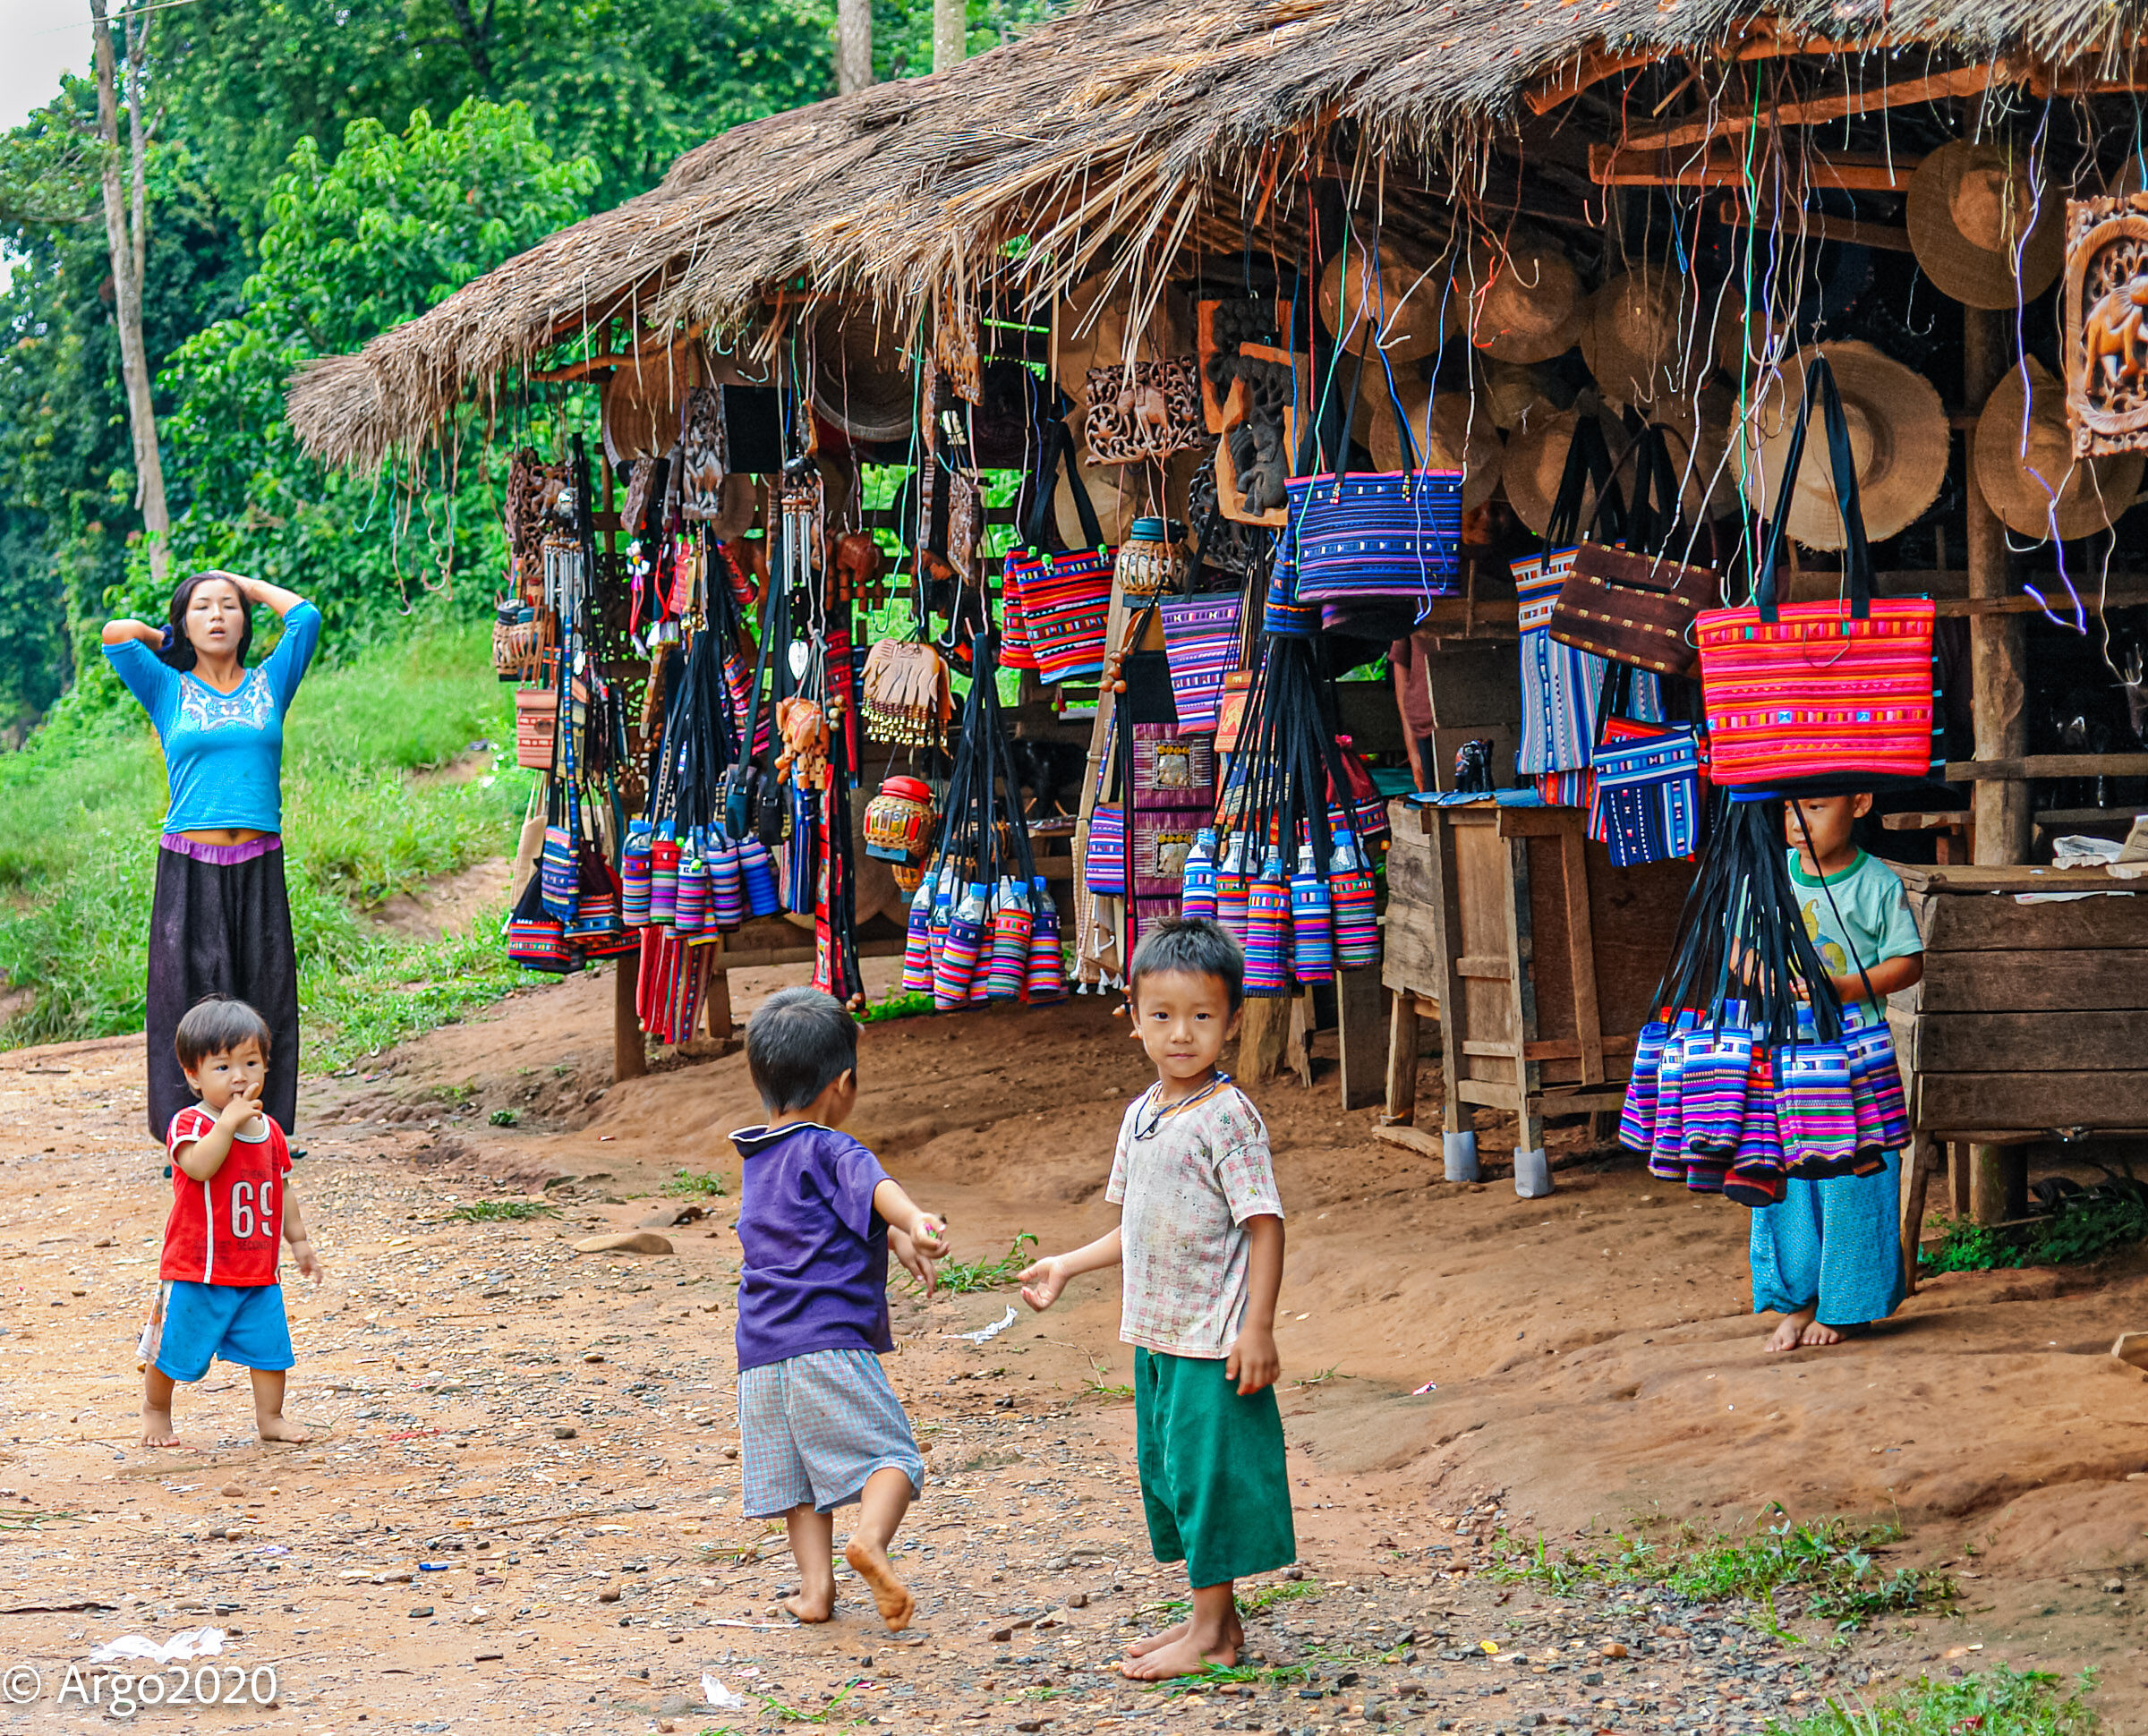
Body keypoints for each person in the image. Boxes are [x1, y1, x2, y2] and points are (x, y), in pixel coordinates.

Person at [1019, 918, 1293, 1680]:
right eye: (1163, 1015)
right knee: (1172, 1475)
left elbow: (1265, 1225)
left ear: (1233, 1021)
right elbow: (1135, 1227)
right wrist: (1066, 1265)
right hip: (1158, 1335)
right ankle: (1217, 1620)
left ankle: (1210, 1637)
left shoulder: (1229, 1118)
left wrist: (1258, 1328)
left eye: (1202, 1015)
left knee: (1208, 1484)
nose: (1181, 1034)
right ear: (1133, 1018)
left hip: (1213, 1341)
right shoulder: (1142, 1114)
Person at [731, 987, 948, 1630]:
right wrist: (915, 1221)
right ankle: (871, 1542)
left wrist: (895, 1238)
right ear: (843, 1083)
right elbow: (876, 1189)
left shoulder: (758, 1156)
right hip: (827, 1343)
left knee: (798, 1481)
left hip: (759, 1354)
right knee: (894, 1459)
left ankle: (815, 1590)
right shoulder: (833, 1147)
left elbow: (824, 1218)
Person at [103, 571, 321, 1145]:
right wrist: (164, 637)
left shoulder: (271, 682)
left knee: (265, 993)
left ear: (245, 622)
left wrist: (249, 586)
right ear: (185, 623)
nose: (218, 615)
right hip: (188, 866)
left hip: (258, 861)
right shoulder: (166, 688)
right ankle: (188, 1133)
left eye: (229, 606)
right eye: (202, 607)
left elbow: (305, 618)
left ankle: (263, 1131)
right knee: (184, 1000)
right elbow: (115, 633)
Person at [1755, 792, 1925, 1352]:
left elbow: (1908, 962)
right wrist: (1769, 978)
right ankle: (1800, 1302)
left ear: (1860, 803)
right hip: (1785, 1056)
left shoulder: (1877, 884)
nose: (1797, 824)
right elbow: (1740, 949)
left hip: (1856, 1061)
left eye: (1815, 808)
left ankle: (1848, 1306)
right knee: (1789, 1178)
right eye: (1788, 810)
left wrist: (1847, 988)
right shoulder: (1771, 875)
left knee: (1856, 1177)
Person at [141, 998, 321, 1449]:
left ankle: (271, 1418)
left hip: (257, 1268)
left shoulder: (270, 1131)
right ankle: (156, 1410)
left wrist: (298, 1241)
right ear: (193, 1076)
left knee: (271, 1350)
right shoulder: (189, 1123)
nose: (239, 1076)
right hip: (197, 1268)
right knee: (174, 1347)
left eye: (251, 1062)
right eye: (222, 1067)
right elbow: (200, 1167)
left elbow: (281, 1188)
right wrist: (227, 1125)